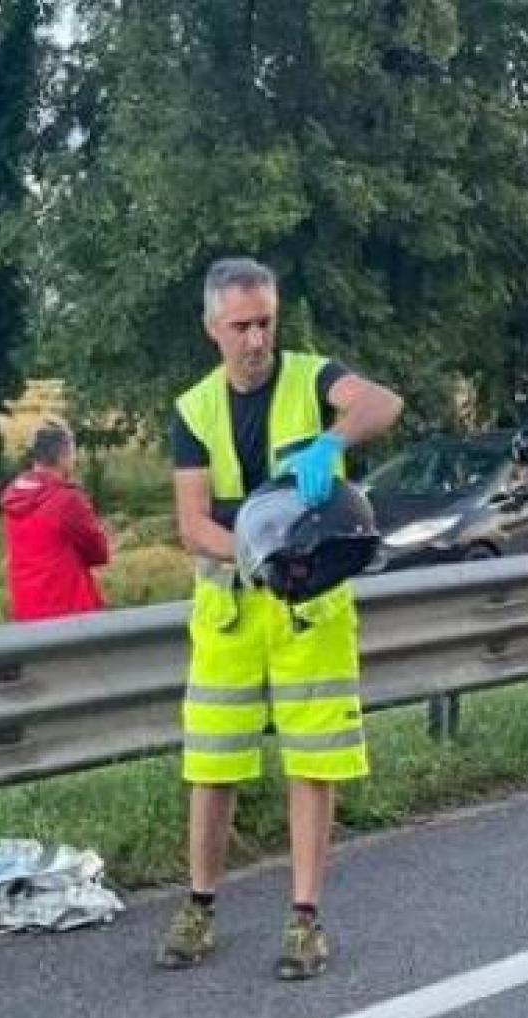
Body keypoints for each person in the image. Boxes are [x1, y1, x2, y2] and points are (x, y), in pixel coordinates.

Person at [158, 257, 404, 980]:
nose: (256, 338)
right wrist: (259, 552)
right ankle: (199, 907)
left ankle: (304, 920)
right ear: (212, 329)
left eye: (265, 320)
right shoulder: (193, 409)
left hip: (312, 606)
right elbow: (191, 521)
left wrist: (334, 440)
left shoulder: (311, 375)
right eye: (240, 326)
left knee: (313, 764)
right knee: (212, 765)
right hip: (234, 607)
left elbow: (382, 403)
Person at [0, 418, 111, 622]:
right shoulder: (67, 499)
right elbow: (99, 552)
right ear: (62, 456)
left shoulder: (13, 494)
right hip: (69, 609)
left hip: (27, 608)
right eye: (73, 453)